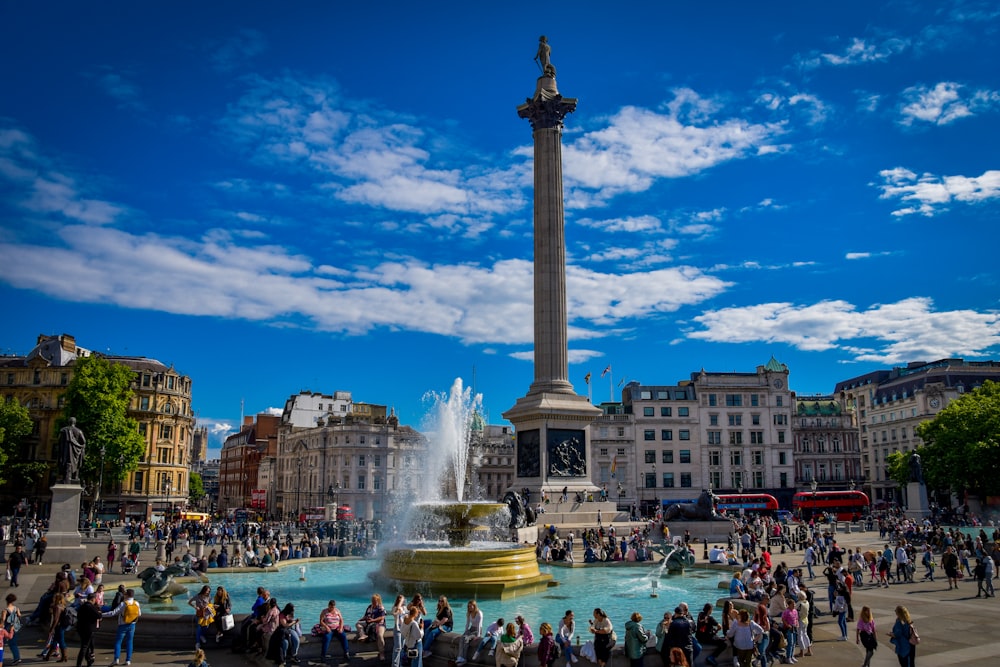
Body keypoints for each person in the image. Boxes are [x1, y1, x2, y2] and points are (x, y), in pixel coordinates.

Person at [102, 587, 140, 666]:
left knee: (118, 642)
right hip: (132, 625)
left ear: (126, 595)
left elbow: (113, 613)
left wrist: (101, 615)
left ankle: (116, 659)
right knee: (130, 642)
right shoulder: (136, 603)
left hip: (122, 625)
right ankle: (128, 660)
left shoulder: (123, 603)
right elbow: (139, 614)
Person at [356, 594, 387, 660]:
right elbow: (366, 616)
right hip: (369, 623)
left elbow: (382, 617)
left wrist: (373, 620)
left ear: (378, 600)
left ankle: (382, 653)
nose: (373, 602)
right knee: (358, 624)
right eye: (372, 600)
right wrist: (361, 619)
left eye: (374, 600)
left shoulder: (381, 607)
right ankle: (363, 635)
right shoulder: (369, 607)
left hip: (379, 624)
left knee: (380, 635)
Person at [41, 592, 70, 661]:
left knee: (61, 641)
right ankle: (47, 656)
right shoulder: (62, 605)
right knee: (55, 641)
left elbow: (56, 619)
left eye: (54, 598)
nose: (53, 599)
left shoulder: (57, 607)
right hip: (61, 625)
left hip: (59, 626)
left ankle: (64, 656)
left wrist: (51, 628)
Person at [74, 592, 101, 667]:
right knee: (85, 646)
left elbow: (78, 616)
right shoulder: (91, 607)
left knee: (86, 646)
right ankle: (79, 663)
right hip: (89, 629)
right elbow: (98, 616)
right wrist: (99, 612)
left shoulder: (82, 606)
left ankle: (89, 661)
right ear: (93, 599)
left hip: (80, 628)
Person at [693, 603, 724, 667]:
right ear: (710, 610)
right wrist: (716, 631)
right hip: (708, 638)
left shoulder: (700, 615)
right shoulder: (710, 618)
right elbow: (720, 626)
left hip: (699, 637)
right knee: (724, 644)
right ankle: (712, 657)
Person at [58, 417, 86, 484]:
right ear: (75, 422)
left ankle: (64, 477)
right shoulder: (79, 431)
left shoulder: (63, 430)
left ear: (68, 422)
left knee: (64, 464)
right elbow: (83, 441)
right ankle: (75, 477)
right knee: (76, 464)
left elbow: (59, 441)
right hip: (75, 453)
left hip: (65, 453)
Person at [455, 599, 483, 664]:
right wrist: (465, 632)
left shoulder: (479, 613)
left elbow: (479, 625)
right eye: (468, 606)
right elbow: (467, 624)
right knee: (462, 638)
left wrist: (478, 635)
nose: (469, 607)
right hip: (471, 629)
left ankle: (464, 659)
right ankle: (460, 657)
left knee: (466, 640)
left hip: (477, 630)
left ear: (474, 606)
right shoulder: (469, 613)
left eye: (471, 606)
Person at [188, 585, 214, 649]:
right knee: (199, 628)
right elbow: (189, 602)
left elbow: (210, 605)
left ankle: (202, 636)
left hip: (206, 615)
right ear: (204, 590)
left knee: (206, 627)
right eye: (207, 591)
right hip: (199, 615)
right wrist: (195, 607)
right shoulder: (197, 596)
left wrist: (208, 606)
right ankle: (197, 643)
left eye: (209, 591)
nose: (208, 592)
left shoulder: (209, 597)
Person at [1, 593, 22, 665]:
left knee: (2, 643)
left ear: (7, 601)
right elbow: (19, 616)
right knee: (13, 643)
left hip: (7, 628)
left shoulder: (5, 610)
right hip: (14, 628)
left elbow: (3, 620)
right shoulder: (16, 608)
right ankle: (17, 657)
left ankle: (1, 659)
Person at [780, 597, 799, 665]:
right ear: (789, 605)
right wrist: (788, 625)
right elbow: (783, 619)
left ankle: (792, 656)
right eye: (793, 604)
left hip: (794, 628)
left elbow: (796, 619)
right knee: (790, 643)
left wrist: (797, 624)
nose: (794, 605)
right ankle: (788, 657)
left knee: (794, 643)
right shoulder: (786, 611)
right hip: (789, 629)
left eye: (794, 604)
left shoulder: (795, 611)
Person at [390, 595, 408, 667]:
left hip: (403, 628)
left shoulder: (404, 608)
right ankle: (395, 665)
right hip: (397, 629)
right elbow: (394, 613)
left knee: (402, 647)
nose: (403, 601)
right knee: (397, 647)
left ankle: (400, 664)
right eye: (402, 600)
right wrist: (400, 603)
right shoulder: (395, 608)